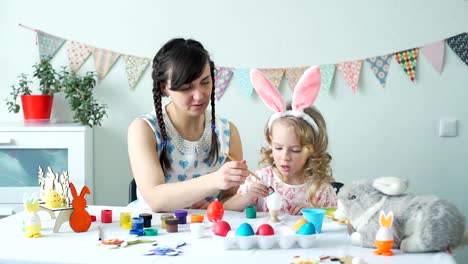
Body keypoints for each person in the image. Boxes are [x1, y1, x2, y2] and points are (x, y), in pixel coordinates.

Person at [127, 38, 249, 212]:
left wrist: (215, 206)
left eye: (205, 82)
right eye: (186, 87)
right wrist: (215, 180)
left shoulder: (227, 132)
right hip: (151, 230)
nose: (199, 95)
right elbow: (155, 199)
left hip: (205, 230)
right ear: (164, 88)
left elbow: (231, 199)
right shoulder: (144, 129)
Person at [224, 67, 337, 215]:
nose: (285, 157)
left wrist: (315, 212)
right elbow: (226, 209)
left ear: (312, 149)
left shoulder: (320, 188)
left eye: (295, 150)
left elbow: (337, 220)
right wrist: (247, 198)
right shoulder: (261, 179)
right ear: (270, 142)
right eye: (278, 148)